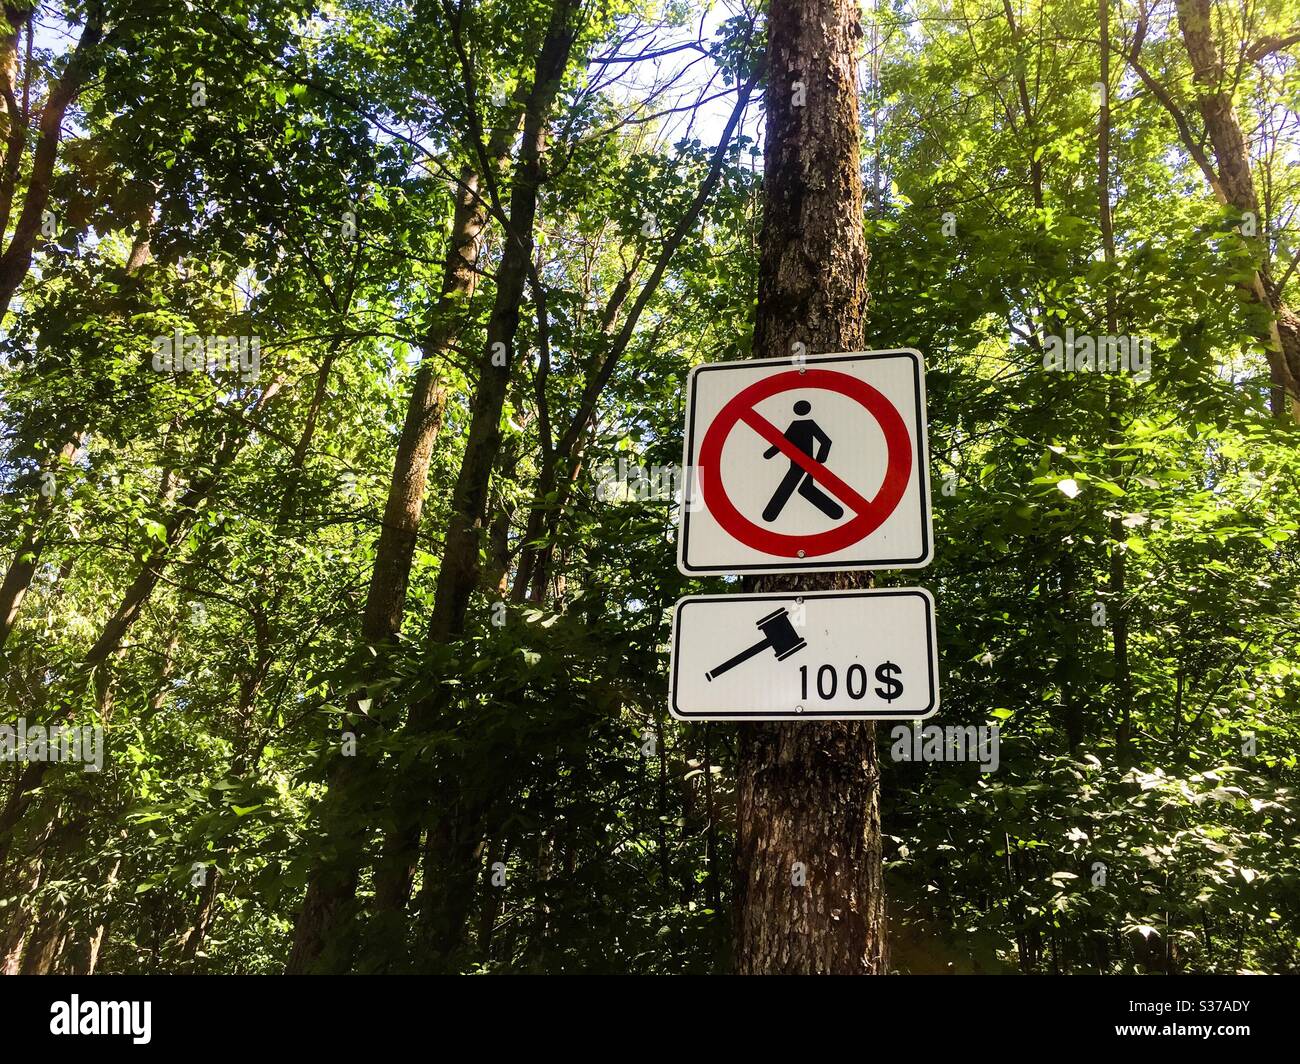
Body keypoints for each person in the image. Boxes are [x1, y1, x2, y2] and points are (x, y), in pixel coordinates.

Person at [761, 400, 844, 522]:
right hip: (800, 464)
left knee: (792, 487)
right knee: (804, 488)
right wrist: (769, 454)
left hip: (807, 465)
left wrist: (821, 458)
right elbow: (782, 443)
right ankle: (836, 512)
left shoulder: (807, 425)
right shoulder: (796, 425)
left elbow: (825, 441)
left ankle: (770, 514)